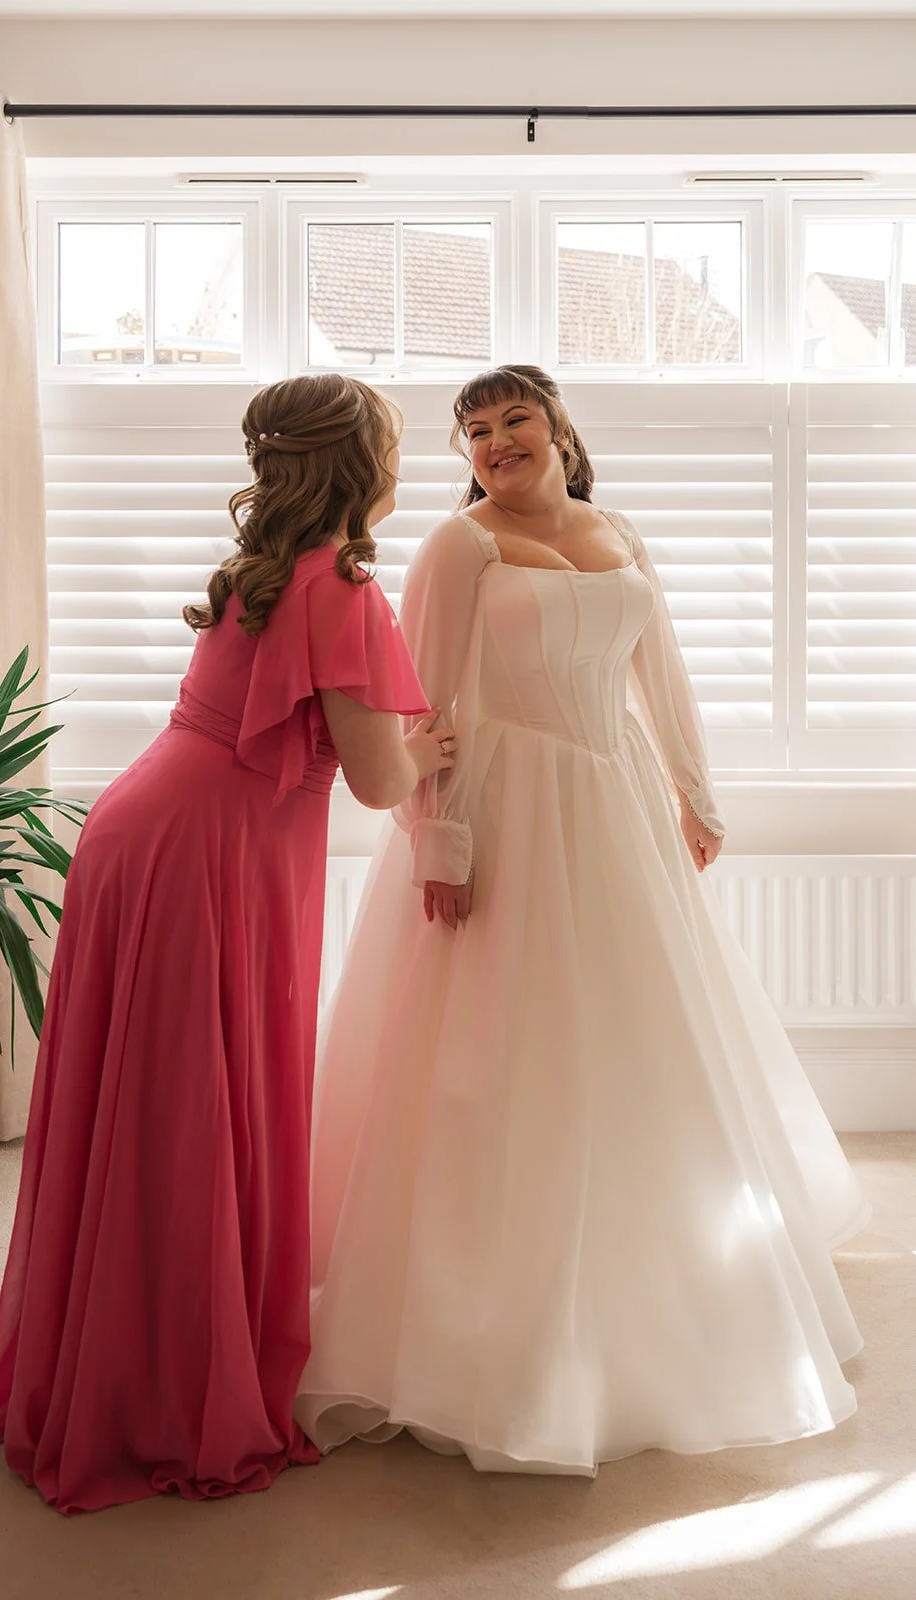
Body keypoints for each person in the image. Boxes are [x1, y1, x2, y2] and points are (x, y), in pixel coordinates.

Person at [296, 364, 871, 1476]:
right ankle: (485, 1328)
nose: (494, 441)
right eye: (473, 430)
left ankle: (656, 1285)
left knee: (640, 1047)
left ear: (556, 428)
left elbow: (661, 670)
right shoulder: (458, 545)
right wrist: (445, 840)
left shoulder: (617, 528)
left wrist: (692, 791)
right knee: (506, 1055)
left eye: (513, 419)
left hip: (613, 804)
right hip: (509, 805)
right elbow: (431, 703)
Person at [0, 374, 452, 1514]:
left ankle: (112, 1357)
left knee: (140, 1108)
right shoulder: (341, 589)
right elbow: (379, 781)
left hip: (144, 827)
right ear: (365, 464)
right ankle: (166, 1389)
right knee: (188, 1115)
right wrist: (435, 749)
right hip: (208, 857)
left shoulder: (258, 573)